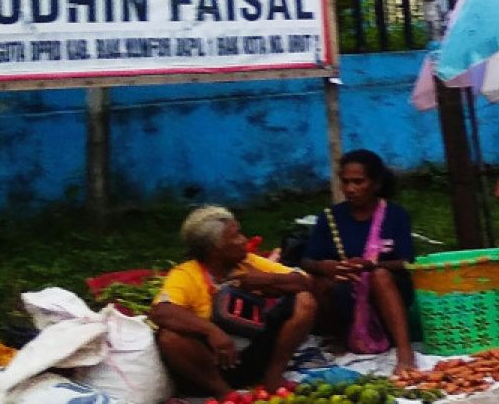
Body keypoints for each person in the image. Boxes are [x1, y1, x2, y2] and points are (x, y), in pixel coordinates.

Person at [151, 206, 315, 398]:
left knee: (304, 300)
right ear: (215, 248)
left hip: (254, 353)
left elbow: (305, 281)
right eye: (235, 236)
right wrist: (211, 331)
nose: (244, 240)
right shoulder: (186, 274)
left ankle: (273, 378)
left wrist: (265, 279)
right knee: (169, 337)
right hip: (212, 363)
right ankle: (226, 394)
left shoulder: (248, 263)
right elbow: (161, 311)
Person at [301, 150, 417, 372]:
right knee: (317, 283)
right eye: (345, 182)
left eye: (358, 182)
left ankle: (404, 351)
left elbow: (407, 261)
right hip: (346, 293)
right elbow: (306, 261)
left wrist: (370, 266)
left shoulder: (395, 215)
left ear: (376, 184)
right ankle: (340, 338)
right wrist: (326, 266)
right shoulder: (330, 217)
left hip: (389, 292)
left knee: (380, 276)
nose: (350, 189)